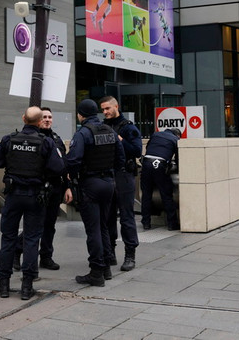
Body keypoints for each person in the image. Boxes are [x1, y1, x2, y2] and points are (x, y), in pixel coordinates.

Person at [0, 106, 64, 300]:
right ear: (40, 122)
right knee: (31, 240)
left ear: (23, 118)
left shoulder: (9, 140)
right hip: (35, 197)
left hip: (13, 195)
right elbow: (58, 168)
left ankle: (3, 285)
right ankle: (26, 287)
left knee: (7, 238)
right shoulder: (46, 142)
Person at [65, 99, 124, 286]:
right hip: (109, 183)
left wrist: (72, 178)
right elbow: (120, 158)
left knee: (93, 230)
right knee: (104, 226)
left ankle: (96, 272)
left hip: (90, 184)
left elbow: (73, 160)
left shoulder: (83, 133)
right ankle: (106, 267)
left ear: (80, 115)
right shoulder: (110, 131)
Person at [13, 107, 67, 274]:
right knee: (36, 225)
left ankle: (46, 256)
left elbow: (64, 166)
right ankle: (17, 250)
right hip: (37, 188)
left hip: (54, 188)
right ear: (37, 120)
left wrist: (68, 188)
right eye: (44, 117)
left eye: (50, 117)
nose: (47, 119)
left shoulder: (56, 139)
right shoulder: (31, 138)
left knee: (49, 225)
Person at [99, 95, 142, 272]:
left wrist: (119, 139)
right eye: (102, 109)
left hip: (124, 175)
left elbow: (137, 150)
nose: (105, 112)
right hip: (107, 175)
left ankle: (130, 255)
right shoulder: (102, 127)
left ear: (116, 106)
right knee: (108, 216)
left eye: (108, 108)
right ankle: (110, 253)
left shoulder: (128, 128)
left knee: (126, 216)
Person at [140, 128, 181, 231]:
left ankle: (146, 222)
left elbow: (149, 147)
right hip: (160, 165)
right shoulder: (175, 139)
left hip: (146, 163)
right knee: (166, 195)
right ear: (177, 135)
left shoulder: (156, 134)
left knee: (146, 194)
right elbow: (178, 158)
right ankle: (172, 224)